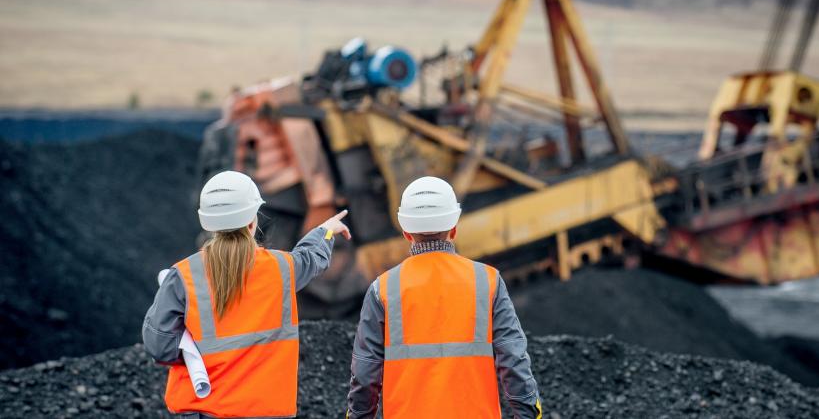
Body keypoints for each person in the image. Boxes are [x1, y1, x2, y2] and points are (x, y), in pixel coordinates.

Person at [143, 170, 351, 418]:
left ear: (207, 222)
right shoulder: (282, 269)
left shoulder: (183, 276)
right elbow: (311, 257)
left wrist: (196, 352)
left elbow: (160, 346)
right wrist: (326, 230)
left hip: (204, 412)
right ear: (253, 222)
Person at [347, 176, 542, 418]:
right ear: (454, 228)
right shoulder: (487, 281)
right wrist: (528, 413)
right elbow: (514, 360)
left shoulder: (383, 289)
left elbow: (365, 375)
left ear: (406, 232)